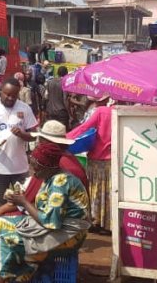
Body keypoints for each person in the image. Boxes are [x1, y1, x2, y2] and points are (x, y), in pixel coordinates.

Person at [0, 120, 88, 282]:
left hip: (66, 232)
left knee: (4, 242)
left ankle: (4, 276)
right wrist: (17, 202)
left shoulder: (61, 179)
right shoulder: (52, 168)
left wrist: (23, 203)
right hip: (51, 220)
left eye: (36, 168)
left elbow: (51, 222)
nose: (34, 171)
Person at [0, 78, 39, 207]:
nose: (10, 98)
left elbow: (33, 135)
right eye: (7, 94)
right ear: (1, 92)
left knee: (24, 203)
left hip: (20, 167)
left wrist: (22, 134)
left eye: (14, 95)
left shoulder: (25, 108)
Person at [67, 95, 113, 234]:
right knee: (109, 192)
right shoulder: (119, 111)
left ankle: (97, 221)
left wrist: (65, 138)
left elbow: (84, 128)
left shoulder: (100, 112)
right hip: (113, 159)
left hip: (97, 158)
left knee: (96, 191)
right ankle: (109, 224)